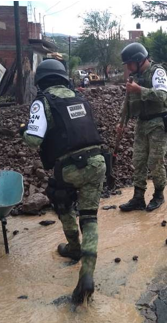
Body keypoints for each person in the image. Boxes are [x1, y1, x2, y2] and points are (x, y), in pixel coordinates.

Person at [22, 59, 107, 305]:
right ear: (62, 77)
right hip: (98, 162)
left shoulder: (43, 101)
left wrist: (22, 132)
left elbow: (34, 140)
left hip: (70, 167)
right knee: (90, 218)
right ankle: (87, 274)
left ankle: (73, 247)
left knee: (62, 200)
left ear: (41, 82)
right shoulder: (80, 97)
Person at [117, 42, 167, 212]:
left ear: (139, 60)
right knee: (138, 160)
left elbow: (161, 95)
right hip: (142, 123)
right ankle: (138, 197)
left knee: (155, 162)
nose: (128, 67)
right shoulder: (135, 77)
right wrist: (122, 122)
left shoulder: (158, 72)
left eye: (129, 63)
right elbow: (128, 102)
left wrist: (139, 89)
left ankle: (158, 195)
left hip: (159, 122)